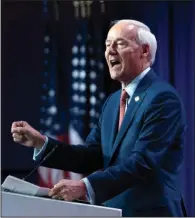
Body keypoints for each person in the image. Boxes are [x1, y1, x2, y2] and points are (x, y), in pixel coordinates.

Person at [11, 19, 187, 217]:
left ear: (144, 51)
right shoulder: (112, 103)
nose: (110, 51)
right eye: (107, 45)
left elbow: (142, 163)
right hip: (112, 212)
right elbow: (92, 156)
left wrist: (85, 186)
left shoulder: (162, 98)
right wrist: (42, 142)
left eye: (119, 44)